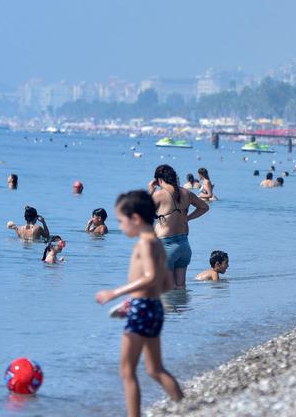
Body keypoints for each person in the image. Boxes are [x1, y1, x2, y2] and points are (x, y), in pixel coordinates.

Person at [94, 190, 184, 417]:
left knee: (127, 372)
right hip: (153, 308)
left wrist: (115, 293)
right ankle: (185, 407)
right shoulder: (158, 243)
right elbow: (167, 285)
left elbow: (150, 277)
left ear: (135, 218)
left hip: (142, 309)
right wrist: (133, 301)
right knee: (155, 369)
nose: (120, 226)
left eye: (121, 221)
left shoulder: (144, 243)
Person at [149, 164, 209, 289]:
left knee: (166, 290)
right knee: (181, 287)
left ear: (159, 180)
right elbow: (204, 207)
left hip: (166, 246)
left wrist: (150, 191)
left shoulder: (159, 194)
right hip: (184, 245)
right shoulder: (187, 193)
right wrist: (188, 218)